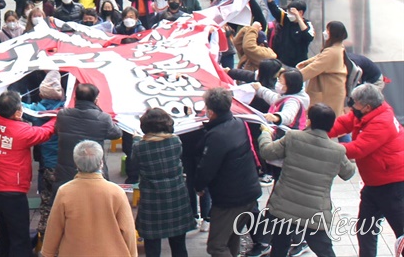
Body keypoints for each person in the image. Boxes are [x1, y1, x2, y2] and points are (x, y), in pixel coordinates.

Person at [257, 103, 356, 257]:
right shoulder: (337, 150)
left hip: (284, 206)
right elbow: (348, 173)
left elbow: (267, 152)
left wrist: (265, 133)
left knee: (279, 249)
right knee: (325, 250)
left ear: (310, 120)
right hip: (315, 211)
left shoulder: (293, 137)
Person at [328, 84, 404, 257]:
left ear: (367, 106)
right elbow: (343, 123)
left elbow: (358, 149)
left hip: (392, 185)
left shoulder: (381, 122)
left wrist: (325, 148)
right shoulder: (367, 113)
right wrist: (318, 130)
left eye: (353, 103)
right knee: (365, 229)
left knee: (401, 232)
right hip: (374, 183)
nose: (350, 106)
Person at [0, 90, 56, 256]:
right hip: (11, 193)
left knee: (5, 230)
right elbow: (44, 133)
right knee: (19, 237)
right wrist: (55, 118)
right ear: (17, 113)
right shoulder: (21, 132)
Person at [195, 87, 262, 257]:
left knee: (216, 246)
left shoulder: (216, 136)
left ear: (210, 111)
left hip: (230, 200)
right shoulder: (238, 123)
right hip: (249, 192)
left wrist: (198, 186)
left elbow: (207, 168)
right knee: (232, 238)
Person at [42, 141, 138, 257]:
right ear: (101, 163)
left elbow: (54, 228)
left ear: (76, 164)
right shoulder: (116, 192)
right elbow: (128, 231)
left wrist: (48, 253)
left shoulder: (65, 191)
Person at [132, 108, 195, 256]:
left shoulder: (139, 147)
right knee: (179, 245)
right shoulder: (175, 141)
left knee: (152, 247)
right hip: (176, 198)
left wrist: (136, 138)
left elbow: (134, 166)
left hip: (151, 202)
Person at [53, 83, 122, 195]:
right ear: (95, 100)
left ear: (75, 98)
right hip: (93, 167)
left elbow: (57, 131)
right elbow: (117, 134)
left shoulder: (62, 115)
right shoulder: (103, 118)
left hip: (66, 169)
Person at [22, 71, 66, 240]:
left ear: (40, 93)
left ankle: (45, 234)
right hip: (66, 165)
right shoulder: (66, 111)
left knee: (47, 201)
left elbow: (19, 106)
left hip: (47, 163)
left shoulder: (36, 111)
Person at [297, 20, 347, 117]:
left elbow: (313, 68)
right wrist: (304, 64)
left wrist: (293, 78)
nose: (325, 32)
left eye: (327, 30)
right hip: (332, 89)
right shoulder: (337, 48)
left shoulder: (332, 52)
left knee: (324, 119)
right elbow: (318, 58)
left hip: (328, 91)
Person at [262, 0, 313, 68]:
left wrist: (298, 19)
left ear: (301, 12)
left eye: (291, 12)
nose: (289, 14)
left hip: (299, 64)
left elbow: (308, 36)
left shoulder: (307, 24)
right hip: (284, 62)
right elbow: (275, 10)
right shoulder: (286, 19)